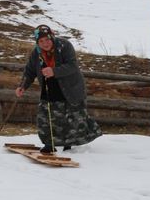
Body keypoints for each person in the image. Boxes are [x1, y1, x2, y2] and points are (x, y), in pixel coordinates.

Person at [15, 25, 101, 153]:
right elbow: (29, 72)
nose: (45, 43)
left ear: (52, 37)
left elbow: (72, 66)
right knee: (45, 118)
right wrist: (22, 86)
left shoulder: (64, 46)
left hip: (70, 88)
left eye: (47, 39)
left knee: (71, 119)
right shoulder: (36, 53)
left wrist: (54, 71)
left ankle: (68, 145)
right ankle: (49, 144)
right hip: (49, 89)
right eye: (41, 41)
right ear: (37, 42)